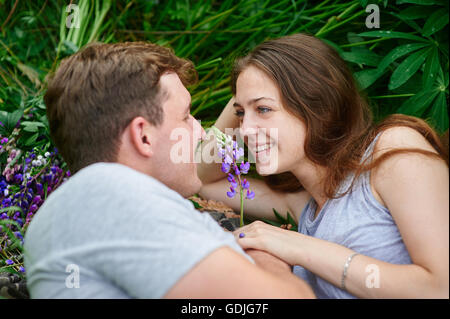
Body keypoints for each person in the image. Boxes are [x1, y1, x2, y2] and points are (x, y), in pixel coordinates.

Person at [23, 41, 315, 299]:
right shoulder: (112, 197)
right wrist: (266, 255)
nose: (201, 133)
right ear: (144, 136)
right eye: (186, 116)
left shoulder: (90, 207)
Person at [197, 33, 449, 298]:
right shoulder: (302, 203)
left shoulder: (390, 152)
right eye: (240, 114)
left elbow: (441, 287)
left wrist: (301, 248)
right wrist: (247, 88)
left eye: (263, 109)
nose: (245, 130)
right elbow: (206, 181)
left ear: (316, 104)